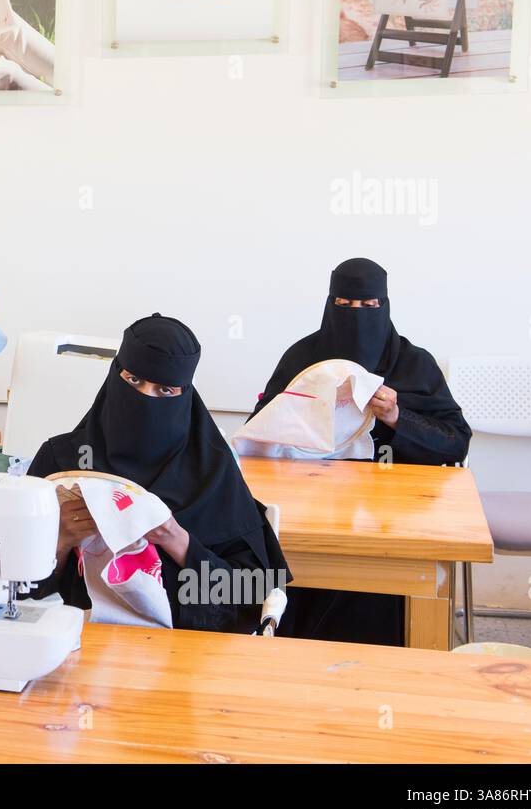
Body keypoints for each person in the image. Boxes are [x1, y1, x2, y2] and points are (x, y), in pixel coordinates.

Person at [250, 257, 473, 645]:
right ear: (329, 305)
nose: (357, 317)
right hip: (312, 500)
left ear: (384, 307)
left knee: (381, 595)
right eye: (345, 306)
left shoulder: (414, 364)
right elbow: (260, 430)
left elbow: (455, 440)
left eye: (368, 307)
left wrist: (397, 416)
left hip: (396, 508)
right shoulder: (303, 359)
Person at [26, 314, 289, 633]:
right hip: (77, 644)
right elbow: (16, 592)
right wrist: (61, 542)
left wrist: (178, 542)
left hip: (184, 652)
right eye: (133, 380)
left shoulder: (213, 475)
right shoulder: (61, 463)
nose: (145, 397)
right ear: (114, 376)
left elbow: (250, 596)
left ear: (185, 395)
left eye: (164, 390)